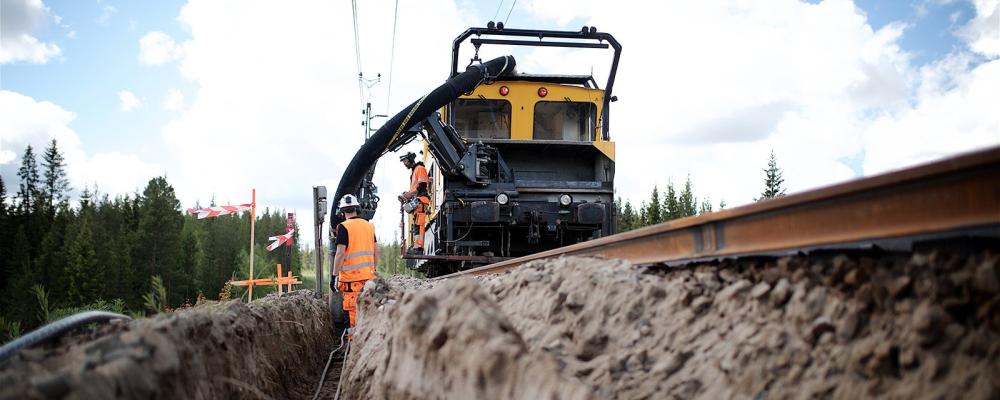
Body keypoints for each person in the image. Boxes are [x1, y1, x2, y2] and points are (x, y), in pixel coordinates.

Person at [331, 194, 379, 337]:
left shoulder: (344, 227)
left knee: (353, 320)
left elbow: (340, 253)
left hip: (352, 283)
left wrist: (334, 276)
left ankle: (353, 346)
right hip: (368, 281)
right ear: (357, 209)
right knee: (367, 313)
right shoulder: (369, 226)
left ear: (342, 212)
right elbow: (376, 251)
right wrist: (372, 270)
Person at [398, 152, 430, 253]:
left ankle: (418, 248)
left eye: (405, 161)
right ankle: (417, 246)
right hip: (418, 200)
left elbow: (422, 186)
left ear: (411, 159)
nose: (404, 164)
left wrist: (410, 194)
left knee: (419, 224)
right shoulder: (415, 171)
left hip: (421, 200)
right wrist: (407, 196)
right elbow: (415, 189)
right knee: (417, 225)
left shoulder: (420, 168)